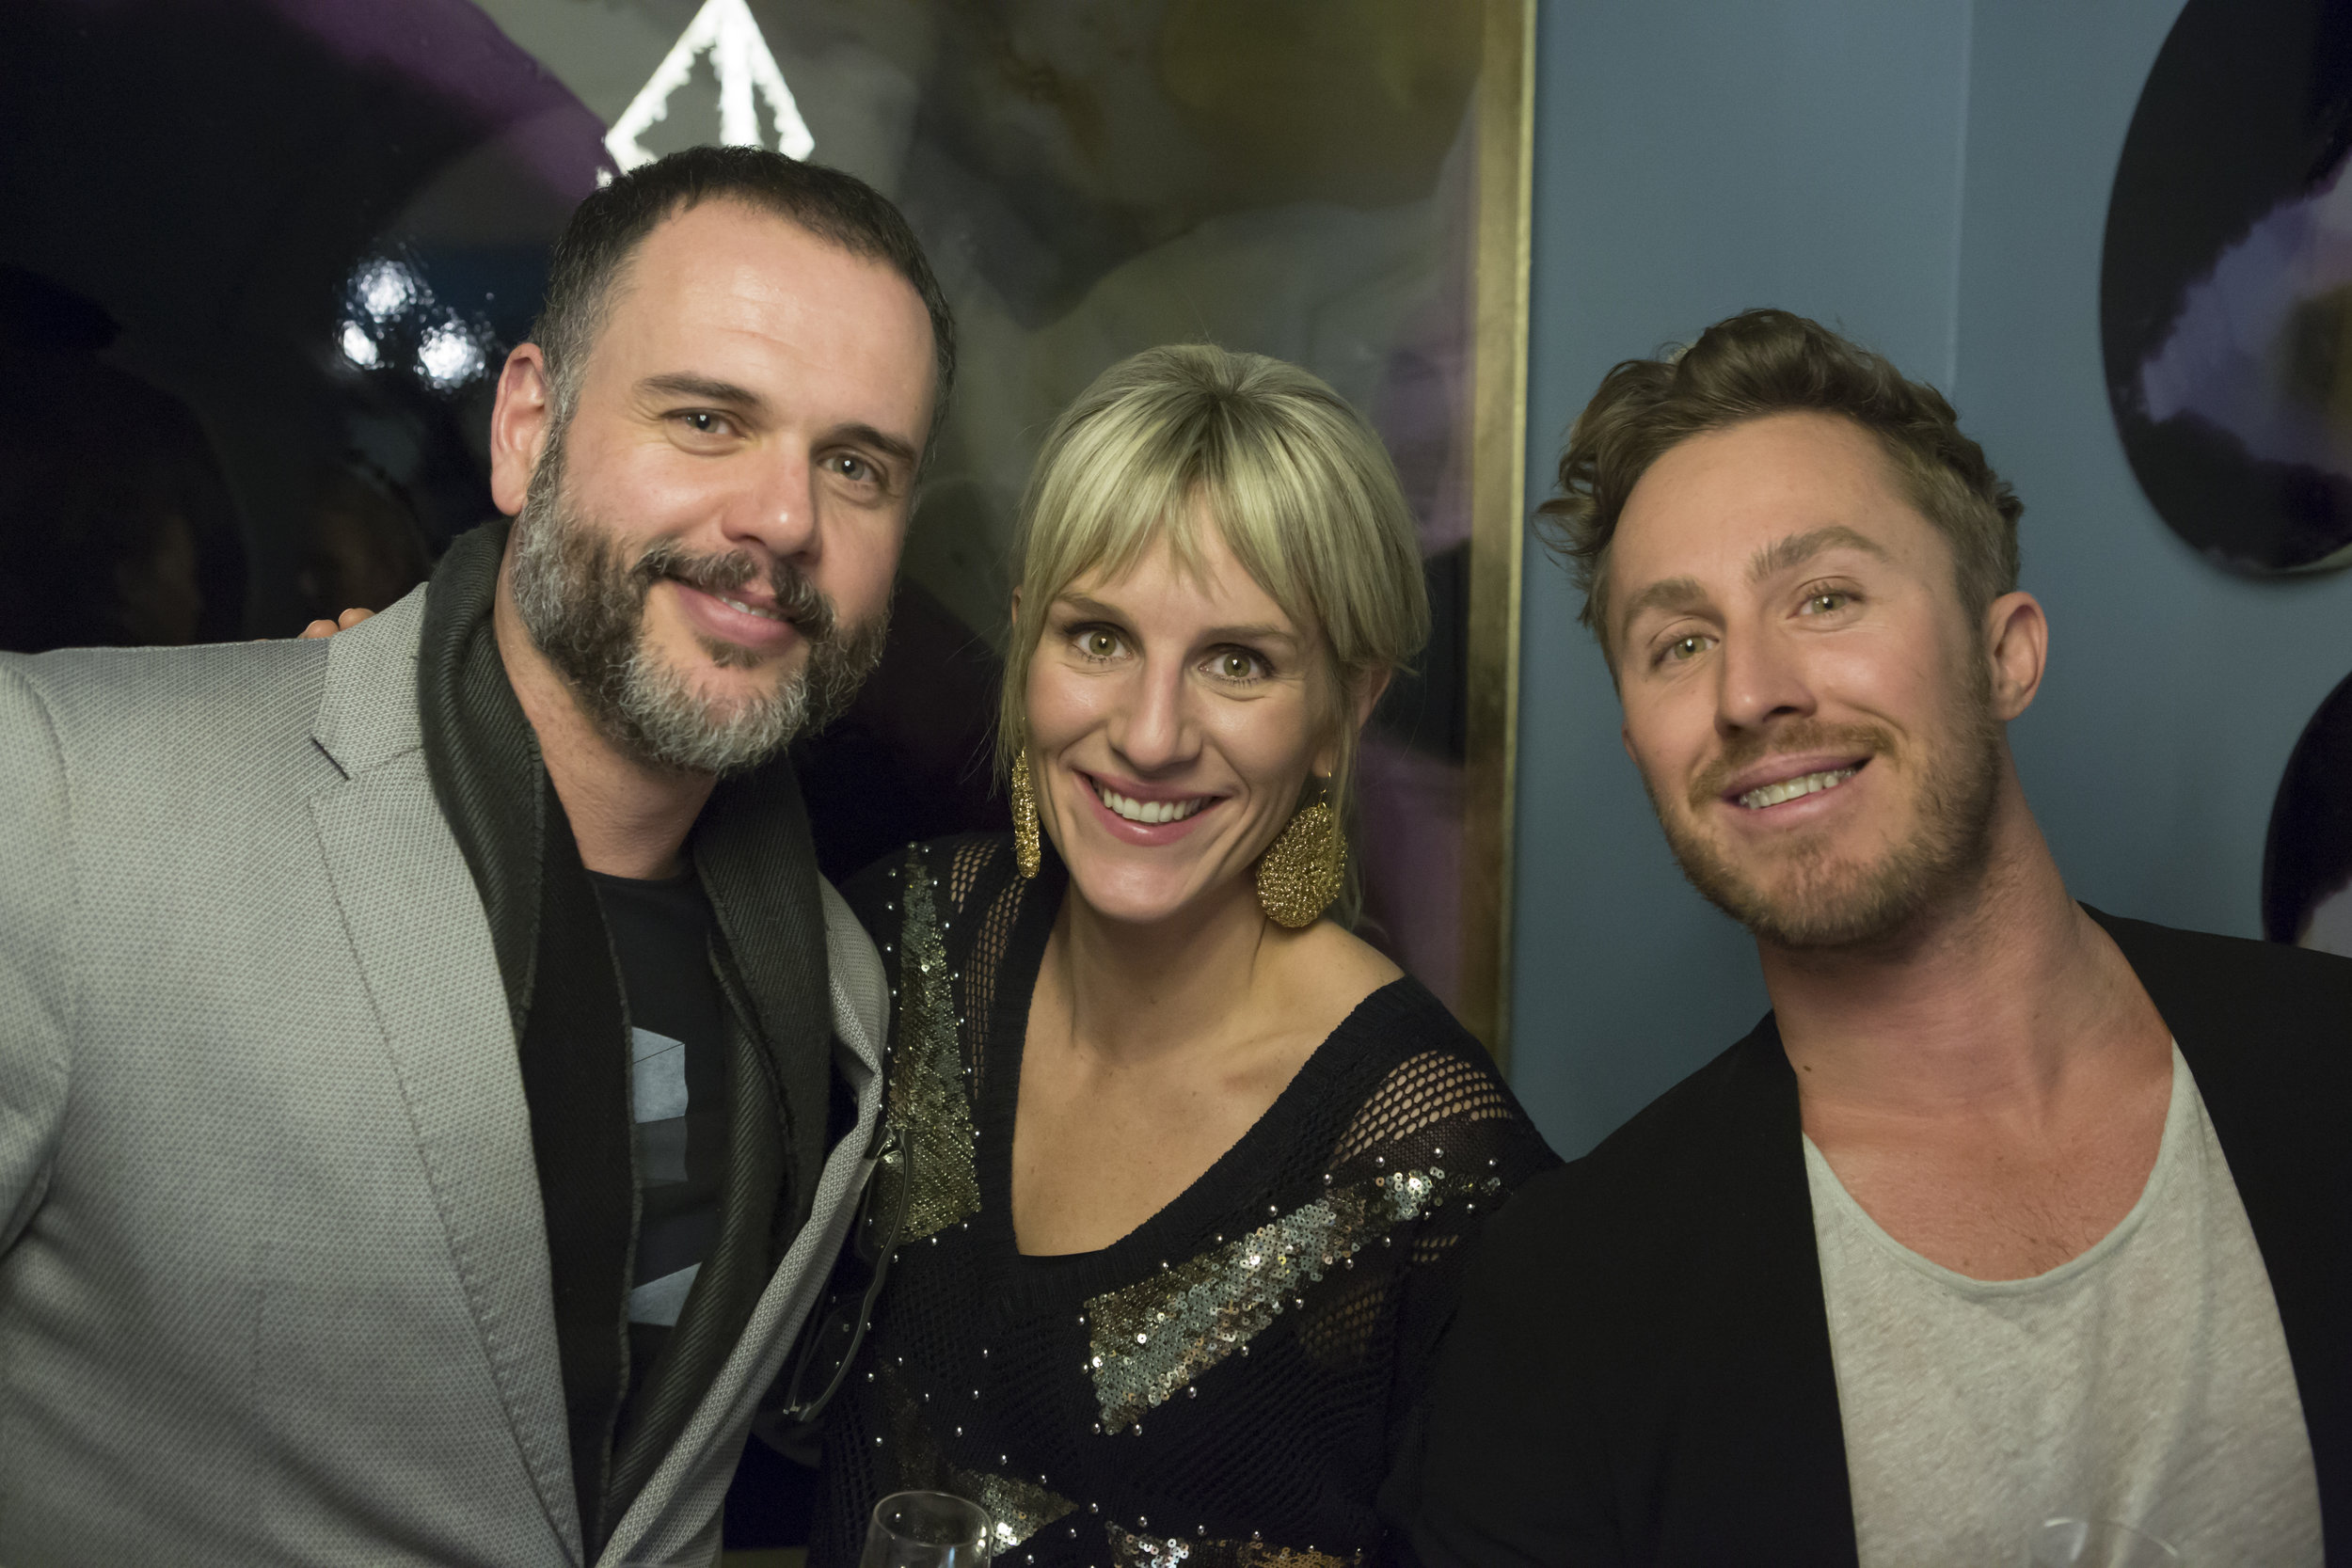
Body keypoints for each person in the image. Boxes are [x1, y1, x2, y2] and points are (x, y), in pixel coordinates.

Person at [0, 145, 952, 1566]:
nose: (783, 519)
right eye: (707, 419)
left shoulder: (839, 992)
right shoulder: (66, 792)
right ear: (526, 430)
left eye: (856, 465)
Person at [1392, 309, 2351, 1567]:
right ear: (1640, 745)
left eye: (1826, 597)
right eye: (1681, 644)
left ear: (2004, 656)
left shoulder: (2332, 1064)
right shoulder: (1563, 1300)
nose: (1750, 693)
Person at [808, 344, 1558, 1567]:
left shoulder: (1430, 1167)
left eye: (1238, 662)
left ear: (1346, 709)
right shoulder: (908, 940)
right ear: (1025, 645)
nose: (1151, 735)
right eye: (1098, 638)